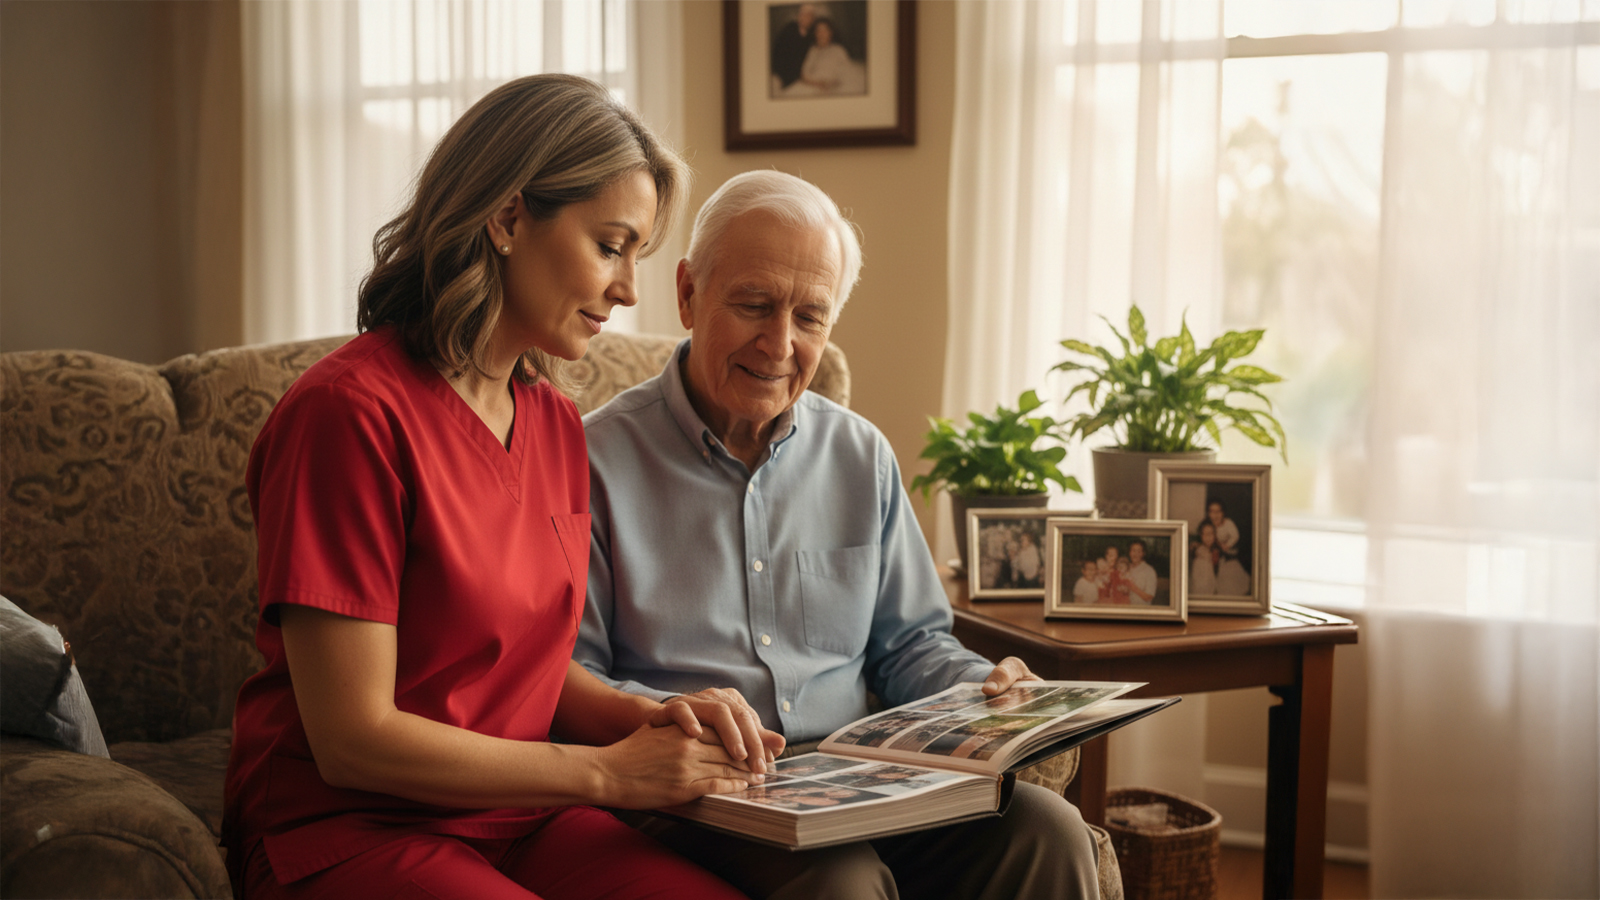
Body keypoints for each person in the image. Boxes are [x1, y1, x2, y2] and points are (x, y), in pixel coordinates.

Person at [222, 75, 770, 900]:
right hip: (347, 827)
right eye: (610, 244)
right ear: (509, 218)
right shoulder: (347, 415)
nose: (627, 288)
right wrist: (607, 774)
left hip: (516, 816)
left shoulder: (550, 421)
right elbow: (352, 739)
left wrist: (657, 717)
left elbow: (522, 673)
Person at [575, 170, 1101, 900]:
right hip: (697, 793)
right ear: (690, 292)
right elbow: (571, 675)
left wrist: (981, 688)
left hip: (858, 781)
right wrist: (674, 719)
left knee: (1045, 830)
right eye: (755, 305)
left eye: (810, 317)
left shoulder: (861, 456)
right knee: (840, 882)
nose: (780, 343)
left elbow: (911, 644)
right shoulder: (591, 460)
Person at [798, 18, 863, 94]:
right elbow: (804, 72)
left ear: (831, 33)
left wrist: (830, 84)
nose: (821, 34)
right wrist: (816, 84)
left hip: (832, 87)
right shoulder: (812, 50)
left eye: (825, 30)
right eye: (818, 30)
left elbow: (847, 73)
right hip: (811, 85)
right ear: (815, 33)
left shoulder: (838, 50)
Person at [771, 3, 817, 89]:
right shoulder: (789, 29)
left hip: (799, 76)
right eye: (804, 15)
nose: (806, 19)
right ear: (799, 16)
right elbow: (778, 52)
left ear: (812, 20)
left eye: (809, 16)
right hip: (781, 72)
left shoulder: (811, 36)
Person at [1124, 539, 1158, 606]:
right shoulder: (1126, 568)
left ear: (1143, 553)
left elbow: (1149, 597)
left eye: (1139, 551)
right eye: (1133, 550)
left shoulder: (1149, 571)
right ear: (1129, 552)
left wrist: (1132, 587)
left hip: (1141, 611)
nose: (1135, 554)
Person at [1191, 521, 1221, 595]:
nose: (1208, 537)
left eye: (1211, 534)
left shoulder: (1214, 551)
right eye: (1205, 534)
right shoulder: (1200, 554)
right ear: (1201, 536)